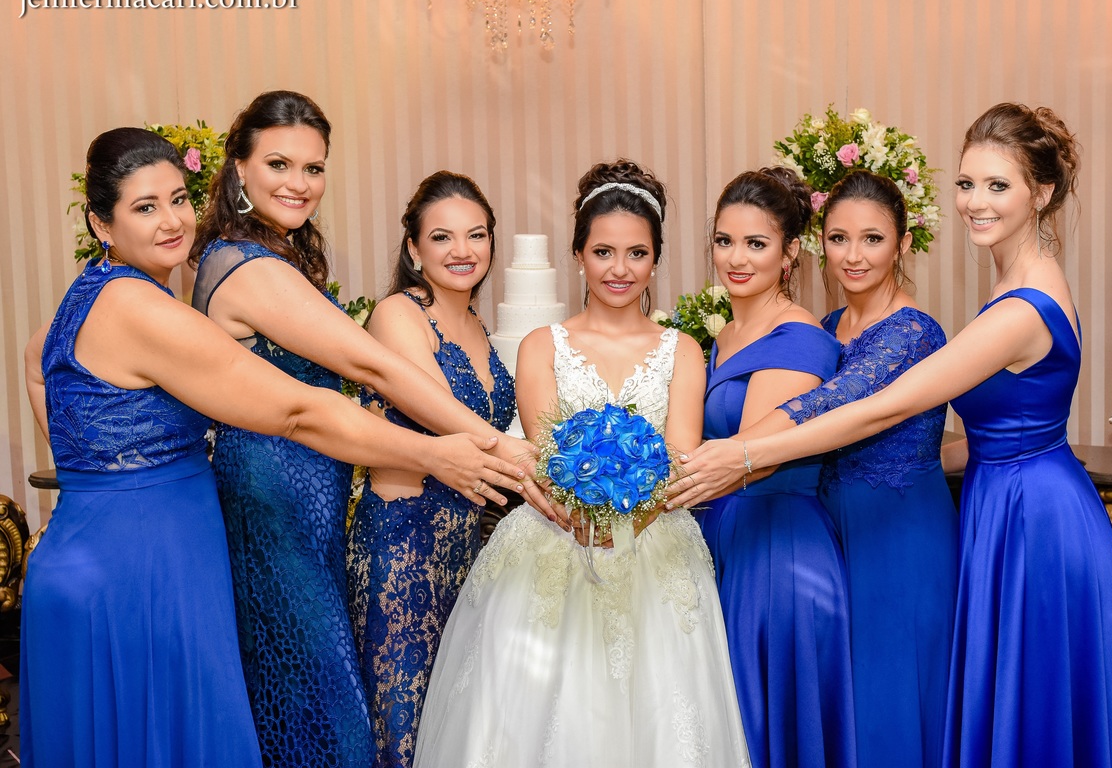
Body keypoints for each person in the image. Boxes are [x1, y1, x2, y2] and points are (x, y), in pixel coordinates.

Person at [21, 128, 529, 768]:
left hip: (83, 558)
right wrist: (433, 454)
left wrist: (99, 473)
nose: (172, 220)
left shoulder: (88, 294)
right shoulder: (144, 307)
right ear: (102, 223)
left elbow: (36, 365)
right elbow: (297, 410)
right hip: (146, 569)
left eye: (178, 199)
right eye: (145, 207)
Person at [670, 103, 1112, 767]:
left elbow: (884, 408)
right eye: (966, 183)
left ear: (1042, 193)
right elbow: (985, 430)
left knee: (1017, 706)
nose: (975, 202)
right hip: (1002, 500)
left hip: (1032, 520)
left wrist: (743, 454)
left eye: (997, 185)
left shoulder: (1021, 306)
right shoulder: (1009, 286)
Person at [189, 91, 551, 767]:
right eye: (278, 164)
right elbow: (370, 365)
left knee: (309, 702)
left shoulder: (269, 257)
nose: (300, 183)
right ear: (239, 168)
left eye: (314, 168)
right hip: (275, 499)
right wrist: (498, 444)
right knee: (324, 714)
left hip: (307, 497)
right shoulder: (246, 265)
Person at [413, 160, 750, 767]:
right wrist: (583, 520)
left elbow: (680, 457)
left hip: (655, 544)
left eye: (637, 253)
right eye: (603, 252)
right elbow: (543, 455)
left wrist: (631, 520)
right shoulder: (541, 345)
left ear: (655, 259)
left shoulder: (683, 349)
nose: (620, 269)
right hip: (552, 537)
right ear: (578, 255)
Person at [778, 170, 956, 768]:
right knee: (846, 689)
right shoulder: (826, 328)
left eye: (872, 239)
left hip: (900, 534)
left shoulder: (915, 334)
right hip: (832, 529)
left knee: (892, 694)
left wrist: (739, 452)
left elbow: (836, 404)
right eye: (838, 239)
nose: (853, 256)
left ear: (903, 244)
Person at [346, 171, 516, 767]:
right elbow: (440, 416)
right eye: (442, 237)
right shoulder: (399, 314)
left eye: (477, 234)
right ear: (414, 249)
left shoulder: (478, 327)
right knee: (403, 727)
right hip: (403, 547)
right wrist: (521, 458)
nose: (462, 250)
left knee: (452, 729)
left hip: (465, 550)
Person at [693, 167, 854, 768]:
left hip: (778, 552)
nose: (736, 258)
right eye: (724, 241)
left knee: (768, 722)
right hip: (728, 535)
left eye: (756, 243)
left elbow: (751, 457)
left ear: (790, 253)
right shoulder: (730, 334)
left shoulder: (800, 338)